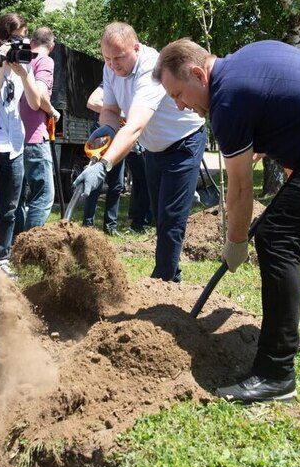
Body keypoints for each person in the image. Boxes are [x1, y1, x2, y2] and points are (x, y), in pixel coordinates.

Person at [153, 38, 300, 403]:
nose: (181, 105)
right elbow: (294, 109)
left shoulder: (227, 100)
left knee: (276, 238)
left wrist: (236, 242)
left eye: (179, 93)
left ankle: (275, 373)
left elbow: (241, 190)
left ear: (198, 73)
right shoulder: (245, 58)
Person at [74, 22, 205, 282]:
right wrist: (106, 135)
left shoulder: (153, 68)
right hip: (154, 147)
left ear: (136, 47)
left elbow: (134, 125)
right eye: (107, 58)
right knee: (159, 213)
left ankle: (163, 281)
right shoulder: (110, 68)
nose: (112, 64)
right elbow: (110, 111)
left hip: (183, 141)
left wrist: (104, 164)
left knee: (171, 216)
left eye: (118, 57)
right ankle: (171, 275)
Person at [0, 13, 37, 274]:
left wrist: (22, 73)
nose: (18, 43)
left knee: (9, 207)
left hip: (14, 145)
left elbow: (33, 102)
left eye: (22, 37)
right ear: (1, 38)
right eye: (13, 38)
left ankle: (2, 257)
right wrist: (4, 67)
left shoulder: (24, 65)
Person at [14, 26, 58, 234]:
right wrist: (52, 111)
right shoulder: (45, 61)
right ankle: (30, 245)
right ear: (52, 46)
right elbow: (40, 96)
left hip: (16, 137)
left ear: (31, 43)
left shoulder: (21, 59)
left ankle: (14, 243)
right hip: (34, 137)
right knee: (44, 194)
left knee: (18, 195)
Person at [82, 83, 127, 235]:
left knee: (117, 184)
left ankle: (110, 227)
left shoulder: (130, 87)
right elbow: (92, 102)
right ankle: (87, 225)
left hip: (120, 137)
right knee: (95, 182)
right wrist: (118, 115)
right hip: (103, 136)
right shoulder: (109, 84)